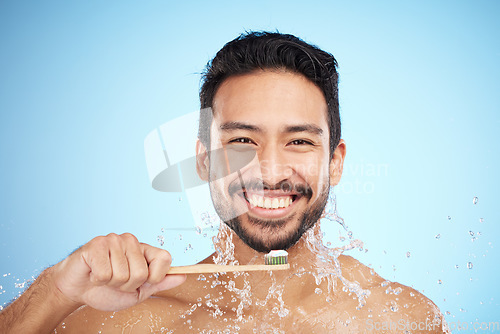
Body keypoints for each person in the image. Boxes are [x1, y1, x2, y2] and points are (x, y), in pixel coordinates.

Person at [0, 31, 449, 333]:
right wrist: (57, 290)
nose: (270, 173)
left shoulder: (400, 319)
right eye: (240, 140)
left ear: (335, 162)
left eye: (299, 142)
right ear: (203, 161)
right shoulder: (132, 320)